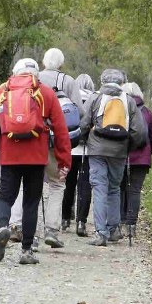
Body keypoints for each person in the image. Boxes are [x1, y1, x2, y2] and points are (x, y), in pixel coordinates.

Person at [0, 58, 71, 265]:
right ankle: (27, 250)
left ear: (15, 72)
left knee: (5, 197)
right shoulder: (46, 93)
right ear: (36, 74)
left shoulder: (3, 91)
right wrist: (64, 161)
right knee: (31, 202)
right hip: (36, 156)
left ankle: (3, 227)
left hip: (9, 155)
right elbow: (61, 130)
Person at [79, 69, 146, 246]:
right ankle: (114, 229)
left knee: (99, 189)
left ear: (102, 81)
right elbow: (139, 131)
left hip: (97, 150)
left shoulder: (95, 98)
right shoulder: (129, 101)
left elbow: (84, 123)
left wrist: (85, 139)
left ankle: (101, 233)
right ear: (121, 82)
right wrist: (128, 147)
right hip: (119, 151)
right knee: (114, 189)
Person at [37, 48, 84, 248]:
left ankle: (24, 229)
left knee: (32, 184)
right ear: (61, 63)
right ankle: (51, 229)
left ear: (43, 62)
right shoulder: (68, 81)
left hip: (33, 140)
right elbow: (79, 111)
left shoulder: (34, 79)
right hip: (56, 140)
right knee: (57, 184)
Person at [120, 82, 152, 241]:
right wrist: (150, 150)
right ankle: (131, 226)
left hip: (121, 156)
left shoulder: (120, 110)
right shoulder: (147, 112)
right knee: (134, 190)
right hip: (141, 158)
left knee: (120, 189)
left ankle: (120, 222)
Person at [62, 73, 94, 237]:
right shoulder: (94, 98)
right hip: (87, 150)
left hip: (70, 148)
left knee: (69, 184)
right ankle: (81, 222)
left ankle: (65, 218)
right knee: (85, 186)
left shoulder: (70, 98)